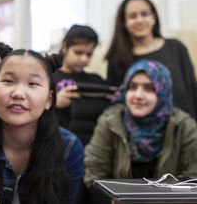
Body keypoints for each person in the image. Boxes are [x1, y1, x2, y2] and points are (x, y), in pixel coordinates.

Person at [0, 42, 84, 204]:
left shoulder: (69, 148)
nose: (18, 93)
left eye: (33, 84)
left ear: (49, 99)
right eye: (8, 81)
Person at [84, 60, 197, 196]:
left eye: (149, 88)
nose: (138, 95)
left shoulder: (184, 127)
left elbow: (191, 182)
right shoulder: (110, 122)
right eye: (132, 87)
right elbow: (94, 177)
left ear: (163, 92)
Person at [105, 0, 197, 119]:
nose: (139, 20)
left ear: (153, 16)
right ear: (123, 22)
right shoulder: (117, 59)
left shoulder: (176, 47)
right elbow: (117, 102)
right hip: (143, 134)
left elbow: (192, 88)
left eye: (144, 14)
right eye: (133, 16)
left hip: (185, 128)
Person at [52, 24, 111, 146]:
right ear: (64, 47)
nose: (84, 59)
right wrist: (54, 102)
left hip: (94, 150)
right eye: (78, 53)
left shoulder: (97, 81)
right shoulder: (48, 78)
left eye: (89, 54)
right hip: (58, 149)